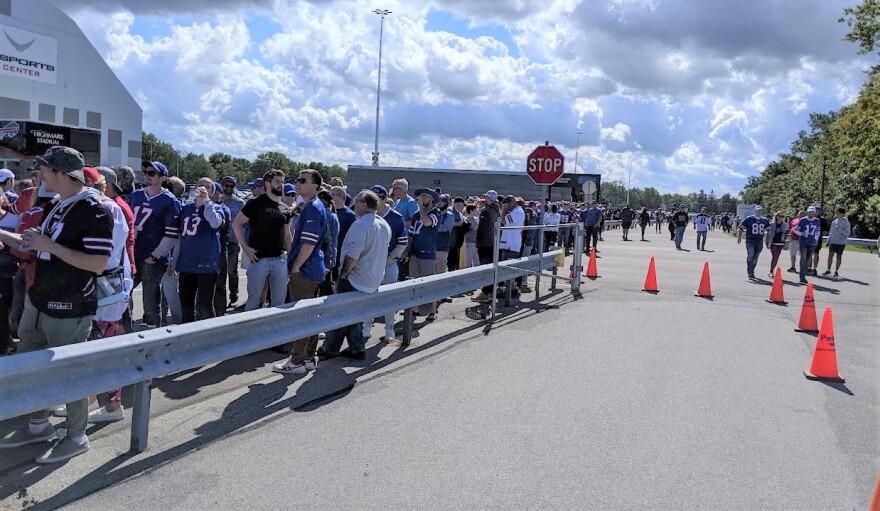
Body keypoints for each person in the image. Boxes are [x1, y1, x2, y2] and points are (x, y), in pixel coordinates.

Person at [0, 146, 113, 464]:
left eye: (46, 170)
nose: (40, 175)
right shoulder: (60, 205)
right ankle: (38, 425)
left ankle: (77, 436)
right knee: (30, 365)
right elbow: (35, 246)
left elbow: (98, 264)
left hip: (70, 305)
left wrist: (49, 244)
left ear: (63, 174)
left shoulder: (93, 208)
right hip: (40, 300)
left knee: (69, 373)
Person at [317, 190, 391, 359]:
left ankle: (330, 348)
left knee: (339, 313)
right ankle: (356, 348)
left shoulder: (361, 225)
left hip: (355, 277)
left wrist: (342, 276)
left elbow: (352, 257)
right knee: (354, 313)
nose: (354, 205)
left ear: (364, 205)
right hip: (373, 278)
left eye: (357, 202)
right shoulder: (383, 224)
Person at [272, 169, 327, 374]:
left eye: (303, 180)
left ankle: (296, 361)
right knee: (310, 315)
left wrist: (296, 267)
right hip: (311, 268)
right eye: (297, 179)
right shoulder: (310, 206)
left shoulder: (313, 208)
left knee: (302, 317)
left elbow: (309, 243)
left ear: (315, 185)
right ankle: (309, 358)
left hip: (306, 269)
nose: (298, 183)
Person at [129, 161, 181, 327]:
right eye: (146, 172)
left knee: (150, 303)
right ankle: (125, 333)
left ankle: (153, 337)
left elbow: (172, 233)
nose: (147, 176)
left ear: (162, 178)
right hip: (132, 255)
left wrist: (156, 255)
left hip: (151, 258)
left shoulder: (169, 200)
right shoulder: (136, 195)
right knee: (122, 295)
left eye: (152, 173)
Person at [234, 170, 292, 311]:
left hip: (280, 260)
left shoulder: (285, 208)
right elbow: (236, 224)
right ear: (267, 183)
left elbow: (286, 234)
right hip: (259, 260)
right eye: (277, 181)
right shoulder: (255, 204)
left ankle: (274, 332)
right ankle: (249, 332)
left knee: (279, 303)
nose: (281, 185)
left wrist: (291, 256)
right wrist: (246, 248)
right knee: (254, 301)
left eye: (282, 182)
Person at [170, 179, 224, 323]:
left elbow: (215, 223)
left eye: (207, 186)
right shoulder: (185, 208)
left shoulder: (217, 208)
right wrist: (173, 261)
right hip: (187, 263)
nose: (203, 188)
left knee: (204, 305)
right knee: (186, 304)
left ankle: (209, 337)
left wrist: (206, 202)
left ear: (212, 192)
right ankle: (188, 336)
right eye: (200, 185)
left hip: (206, 264)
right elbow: (179, 236)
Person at [364, 185, 407, 342]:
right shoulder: (367, 215)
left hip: (388, 264)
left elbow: (403, 242)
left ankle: (389, 327)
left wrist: (391, 258)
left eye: (375, 199)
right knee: (368, 295)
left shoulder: (395, 217)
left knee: (389, 296)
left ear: (383, 199)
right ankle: (367, 325)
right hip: (369, 264)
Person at [407, 188, 439, 319]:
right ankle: (415, 308)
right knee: (413, 280)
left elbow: (427, 222)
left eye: (425, 197)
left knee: (430, 282)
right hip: (415, 252)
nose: (422, 199)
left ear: (431, 199)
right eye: (421, 197)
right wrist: (407, 250)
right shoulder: (416, 215)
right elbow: (411, 234)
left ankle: (433, 310)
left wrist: (420, 208)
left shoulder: (436, 213)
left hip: (428, 253)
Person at [219, 176, 244, 307]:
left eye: (231, 186)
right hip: (219, 242)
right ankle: (220, 298)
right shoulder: (218, 200)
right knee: (219, 271)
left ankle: (234, 295)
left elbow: (244, 224)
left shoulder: (240, 203)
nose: (228, 188)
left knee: (232, 271)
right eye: (226, 186)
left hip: (234, 241)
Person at [471, 191, 500, 303]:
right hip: (494, 243)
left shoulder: (486, 211)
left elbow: (482, 229)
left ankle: (485, 293)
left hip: (485, 243)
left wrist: (478, 241)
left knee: (485, 269)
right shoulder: (497, 211)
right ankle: (491, 293)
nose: (485, 199)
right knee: (491, 269)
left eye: (487, 198)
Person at [499, 195, 525, 295]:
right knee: (508, 268)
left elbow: (505, 220)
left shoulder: (518, 212)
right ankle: (512, 288)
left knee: (509, 268)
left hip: (512, 244)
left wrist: (504, 210)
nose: (505, 206)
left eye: (507, 204)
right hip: (508, 243)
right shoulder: (514, 211)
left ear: (512, 203)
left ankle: (511, 290)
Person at [737, 205, 770, 280]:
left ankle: (752, 271)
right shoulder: (749, 219)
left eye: (760, 211)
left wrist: (768, 240)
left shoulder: (765, 220)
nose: (759, 212)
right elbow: (740, 228)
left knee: (755, 258)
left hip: (759, 241)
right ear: (754, 211)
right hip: (750, 240)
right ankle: (750, 272)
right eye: (758, 211)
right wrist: (739, 237)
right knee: (751, 255)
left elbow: (769, 231)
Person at [793, 206, 822, 284]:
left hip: (812, 242)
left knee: (808, 260)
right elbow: (796, 230)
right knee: (803, 259)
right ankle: (802, 277)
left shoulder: (817, 221)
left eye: (812, 212)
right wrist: (802, 233)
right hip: (803, 242)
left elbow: (817, 231)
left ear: (814, 212)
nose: (811, 213)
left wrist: (816, 239)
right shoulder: (803, 220)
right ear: (807, 212)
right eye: (809, 212)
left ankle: (803, 273)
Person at [824, 207, 850, 277]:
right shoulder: (834, 222)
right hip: (833, 241)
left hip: (841, 242)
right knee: (830, 256)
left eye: (839, 213)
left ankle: (836, 271)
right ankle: (828, 269)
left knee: (838, 257)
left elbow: (847, 233)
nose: (838, 214)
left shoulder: (846, 223)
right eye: (837, 213)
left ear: (843, 214)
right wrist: (828, 240)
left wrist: (840, 229)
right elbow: (831, 232)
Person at [433, 194, 456, 275]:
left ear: (446, 203)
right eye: (438, 202)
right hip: (432, 247)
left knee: (440, 271)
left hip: (442, 248)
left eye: (441, 202)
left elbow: (444, 228)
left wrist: (432, 224)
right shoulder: (434, 214)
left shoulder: (450, 215)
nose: (439, 204)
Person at [766, 211, 789, 277]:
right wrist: (767, 243)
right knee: (775, 256)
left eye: (782, 216)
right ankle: (771, 271)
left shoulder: (785, 225)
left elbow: (786, 235)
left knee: (776, 258)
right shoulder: (772, 224)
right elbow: (768, 235)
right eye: (779, 216)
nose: (780, 218)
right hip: (773, 242)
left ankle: (771, 270)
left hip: (781, 243)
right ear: (776, 216)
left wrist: (786, 244)